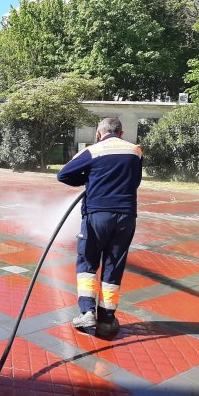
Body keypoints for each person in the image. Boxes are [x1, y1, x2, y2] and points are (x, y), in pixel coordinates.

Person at [57, 117, 142, 337]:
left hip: (97, 215)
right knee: (114, 266)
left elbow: (63, 174)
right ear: (121, 133)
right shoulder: (135, 151)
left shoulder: (93, 150)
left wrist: (89, 178)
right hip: (126, 217)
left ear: (98, 133)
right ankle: (106, 320)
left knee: (87, 262)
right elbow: (135, 182)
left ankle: (87, 312)